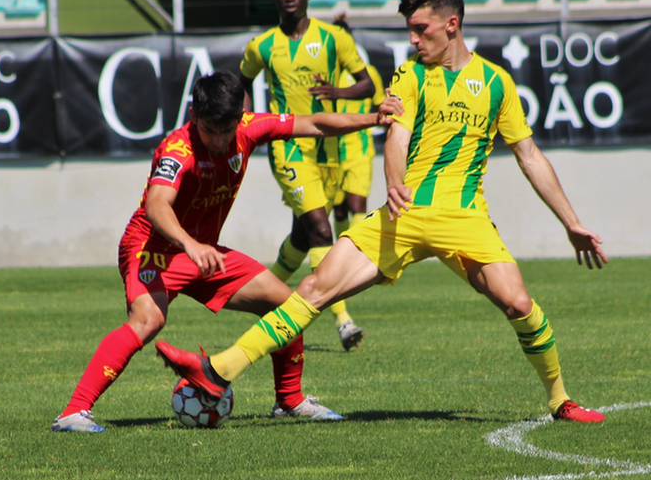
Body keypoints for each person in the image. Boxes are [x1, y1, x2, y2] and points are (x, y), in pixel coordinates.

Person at [155, 0, 609, 424]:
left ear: (452, 25)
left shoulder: (496, 83)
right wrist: (395, 183)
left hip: (465, 221)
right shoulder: (410, 75)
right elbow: (397, 135)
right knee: (313, 289)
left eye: (421, 30)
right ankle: (217, 370)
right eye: (409, 30)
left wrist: (571, 223)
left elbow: (529, 155)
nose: (412, 40)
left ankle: (560, 401)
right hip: (402, 216)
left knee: (520, 305)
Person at [51, 71, 403, 432]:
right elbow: (157, 206)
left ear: (240, 117)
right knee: (148, 320)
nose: (218, 140)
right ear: (193, 116)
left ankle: (290, 401)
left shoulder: (250, 128)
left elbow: (313, 122)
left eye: (226, 130)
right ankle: (73, 413)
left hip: (205, 253)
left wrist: (374, 119)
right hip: (153, 247)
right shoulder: (177, 150)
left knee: (290, 308)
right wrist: (189, 244)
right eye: (209, 130)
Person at [240, 0, 377, 351]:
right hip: (288, 149)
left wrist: (339, 92)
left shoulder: (335, 38)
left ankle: (264, 298)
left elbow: (367, 86)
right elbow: (242, 84)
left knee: (302, 238)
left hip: (327, 150)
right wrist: (248, 123)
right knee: (321, 230)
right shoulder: (262, 46)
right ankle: (342, 320)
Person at [331, 15, 387, 243]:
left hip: (360, 150)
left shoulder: (368, 74)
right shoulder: (326, 75)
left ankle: (354, 252)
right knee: (339, 210)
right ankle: (340, 251)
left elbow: (380, 105)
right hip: (333, 151)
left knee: (357, 203)